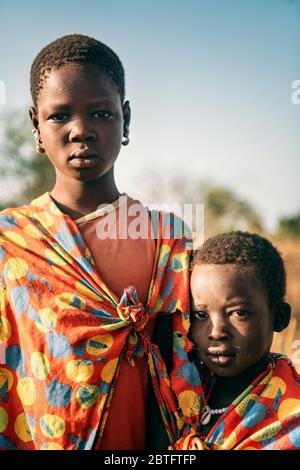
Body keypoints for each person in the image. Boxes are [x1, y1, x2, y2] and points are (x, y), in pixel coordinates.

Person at [0, 34, 197, 450]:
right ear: (36, 126)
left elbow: (181, 366)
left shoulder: (165, 236)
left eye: (101, 114)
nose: (81, 131)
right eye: (59, 117)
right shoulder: (10, 239)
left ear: (126, 118)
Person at [172, 231, 300, 450]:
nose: (217, 332)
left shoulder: (292, 414)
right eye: (200, 315)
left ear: (278, 318)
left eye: (239, 313)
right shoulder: (178, 391)